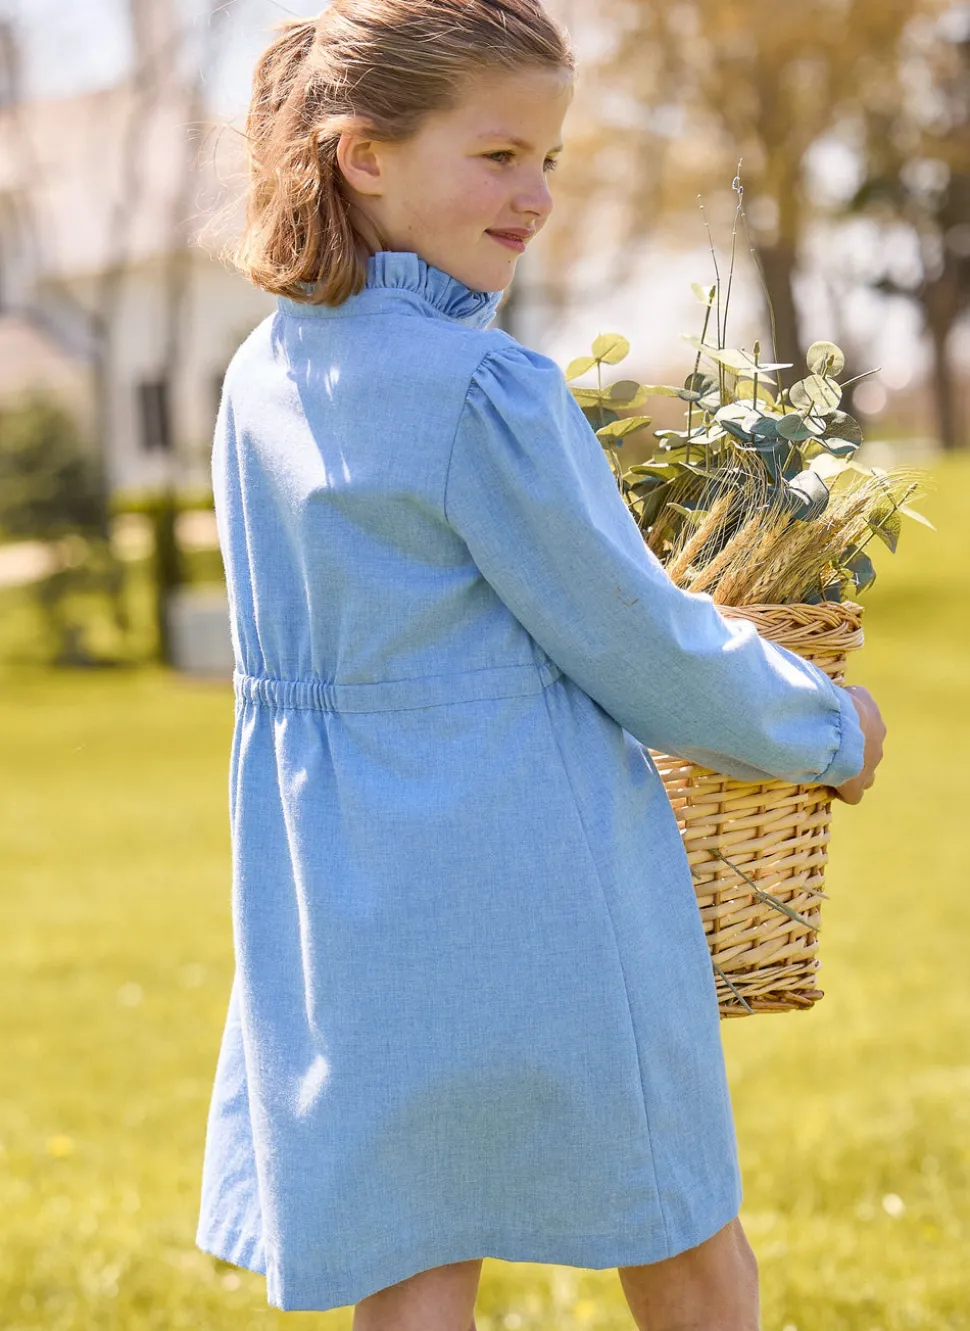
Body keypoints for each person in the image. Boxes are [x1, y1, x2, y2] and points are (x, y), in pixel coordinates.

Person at [194, 2, 887, 1328]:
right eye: (500, 154)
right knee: (676, 1220)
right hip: (531, 868)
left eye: (552, 160)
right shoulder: (483, 385)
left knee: (408, 1239)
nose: (537, 196)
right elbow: (637, 640)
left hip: (337, 882)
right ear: (364, 155)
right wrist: (824, 728)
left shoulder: (260, 374)